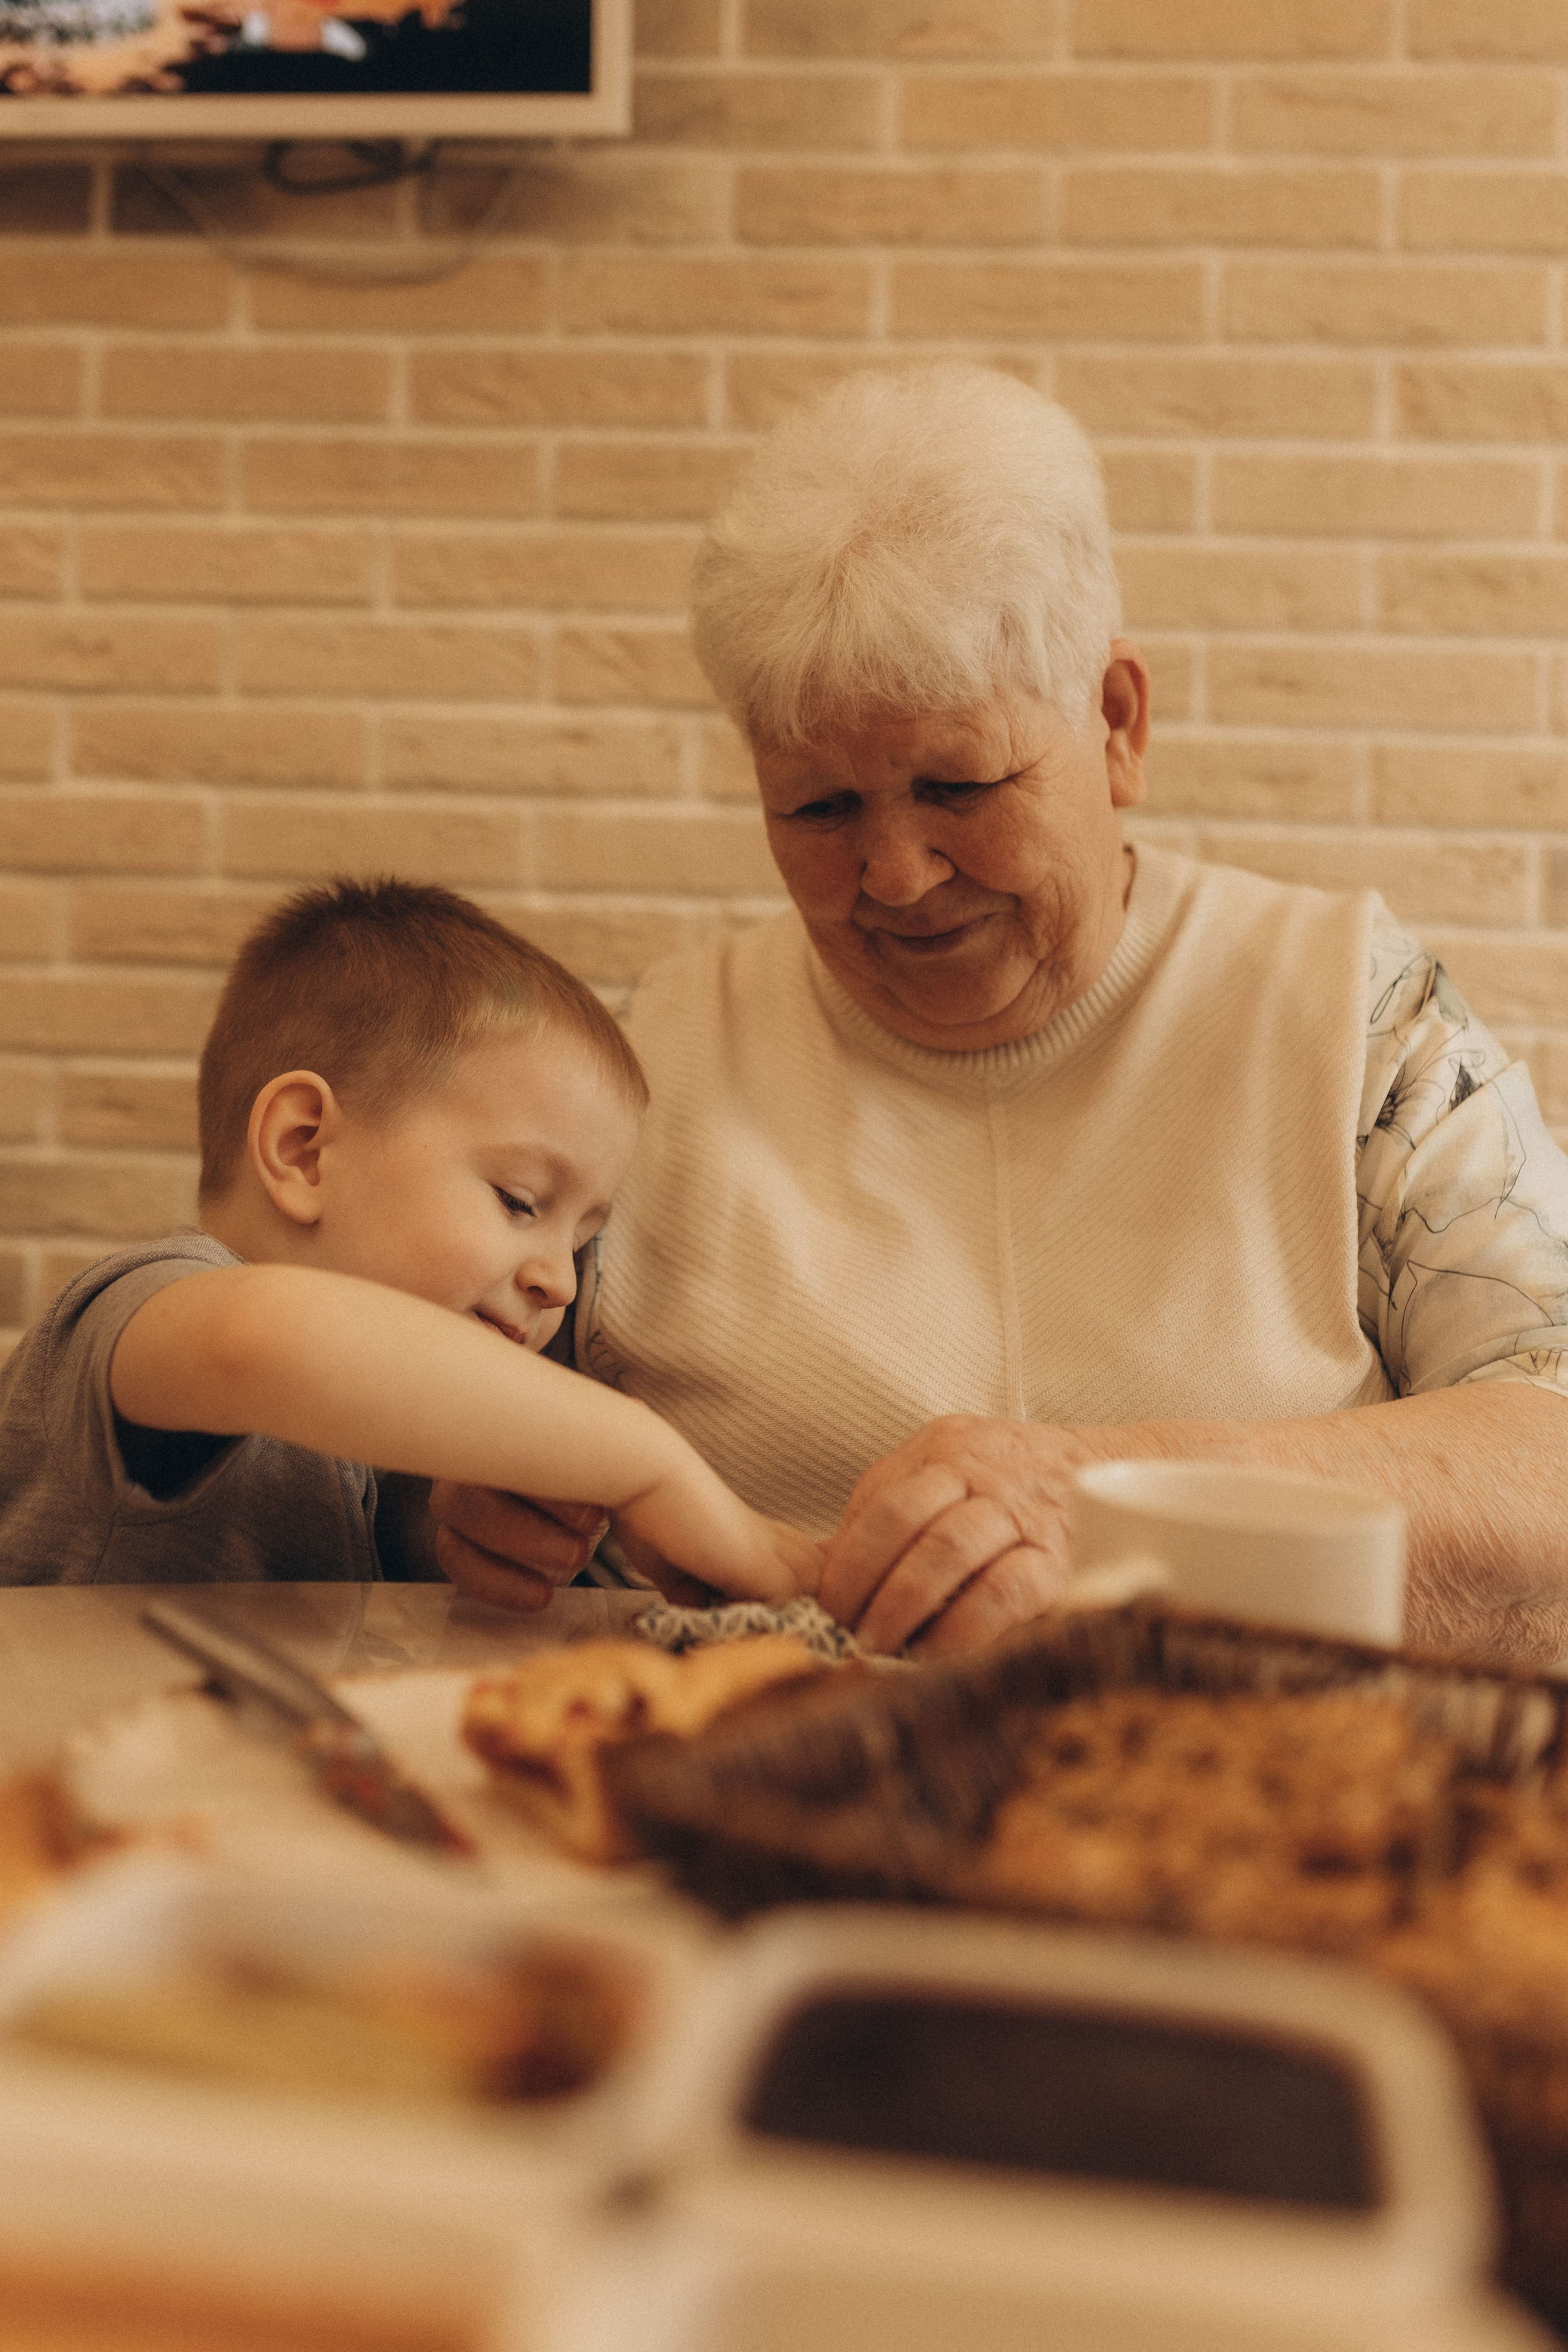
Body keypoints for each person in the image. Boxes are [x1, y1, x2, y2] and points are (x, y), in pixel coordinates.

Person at [429, 361, 1568, 1667]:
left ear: (1116, 722)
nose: (896, 876)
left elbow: (1544, 1449)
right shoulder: (637, 1073)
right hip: (745, 1805)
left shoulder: (1356, 1021)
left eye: (958, 785)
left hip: (1255, 1815)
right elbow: (424, 1419)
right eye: (817, 808)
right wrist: (455, 1515)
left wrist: (1115, 1513)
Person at [0, 878, 816, 1600]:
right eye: (520, 1200)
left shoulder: (354, 1451)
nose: (561, 1284)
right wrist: (646, 1459)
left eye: (583, 1240)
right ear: (304, 1149)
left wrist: (447, 1542)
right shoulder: (143, 1312)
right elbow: (262, 1338)